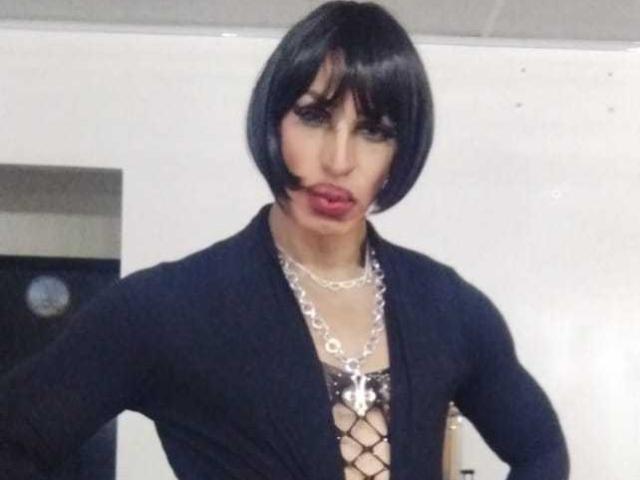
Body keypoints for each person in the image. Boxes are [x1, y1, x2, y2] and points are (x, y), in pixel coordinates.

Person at [0, 2, 569, 479]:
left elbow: (541, 451)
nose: (339, 160)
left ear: (400, 153)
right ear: (274, 121)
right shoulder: (171, 308)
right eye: (314, 116)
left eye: (373, 131)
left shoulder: (447, 307)